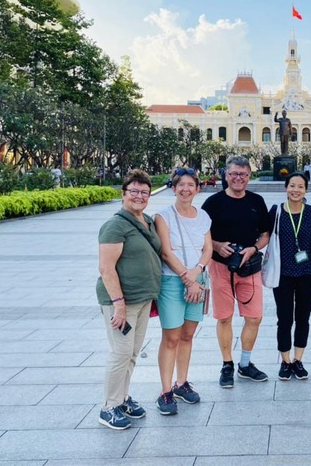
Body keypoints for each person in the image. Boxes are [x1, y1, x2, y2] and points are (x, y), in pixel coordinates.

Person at [95, 169, 161, 429]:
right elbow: (106, 268)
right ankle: (109, 407)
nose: (139, 196)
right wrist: (118, 305)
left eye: (144, 192)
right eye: (133, 191)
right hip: (122, 301)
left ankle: (122, 397)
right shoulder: (115, 225)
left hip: (143, 298)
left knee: (132, 352)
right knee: (121, 352)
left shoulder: (146, 220)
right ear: (123, 194)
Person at [201, 156, 271, 388]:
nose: (238, 178)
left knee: (254, 317)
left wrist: (254, 248)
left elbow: (265, 234)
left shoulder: (257, 201)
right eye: (233, 174)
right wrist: (218, 245)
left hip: (249, 267)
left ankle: (245, 363)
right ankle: (227, 364)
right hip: (220, 267)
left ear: (249, 177)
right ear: (226, 175)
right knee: (224, 317)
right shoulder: (212, 203)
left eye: (243, 174)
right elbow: (202, 234)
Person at [153, 167, 213, 415]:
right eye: (181, 185)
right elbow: (166, 252)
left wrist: (197, 272)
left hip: (197, 280)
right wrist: (187, 280)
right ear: (173, 188)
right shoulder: (163, 216)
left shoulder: (203, 216)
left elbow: (208, 249)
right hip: (173, 281)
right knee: (171, 337)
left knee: (188, 335)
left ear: (197, 189)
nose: (186, 189)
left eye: (191, 185)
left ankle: (182, 382)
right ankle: (165, 391)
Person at [269, 172, 311, 381]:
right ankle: (285, 360)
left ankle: (298, 360)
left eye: (300, 186)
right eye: (292, 186)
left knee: (303, 318)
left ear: (306, 190)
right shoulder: (276, 211)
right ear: (286, 188)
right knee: (284, 319)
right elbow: (263, 236)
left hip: (307, 273)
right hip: (282, 273)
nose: (296, 190)